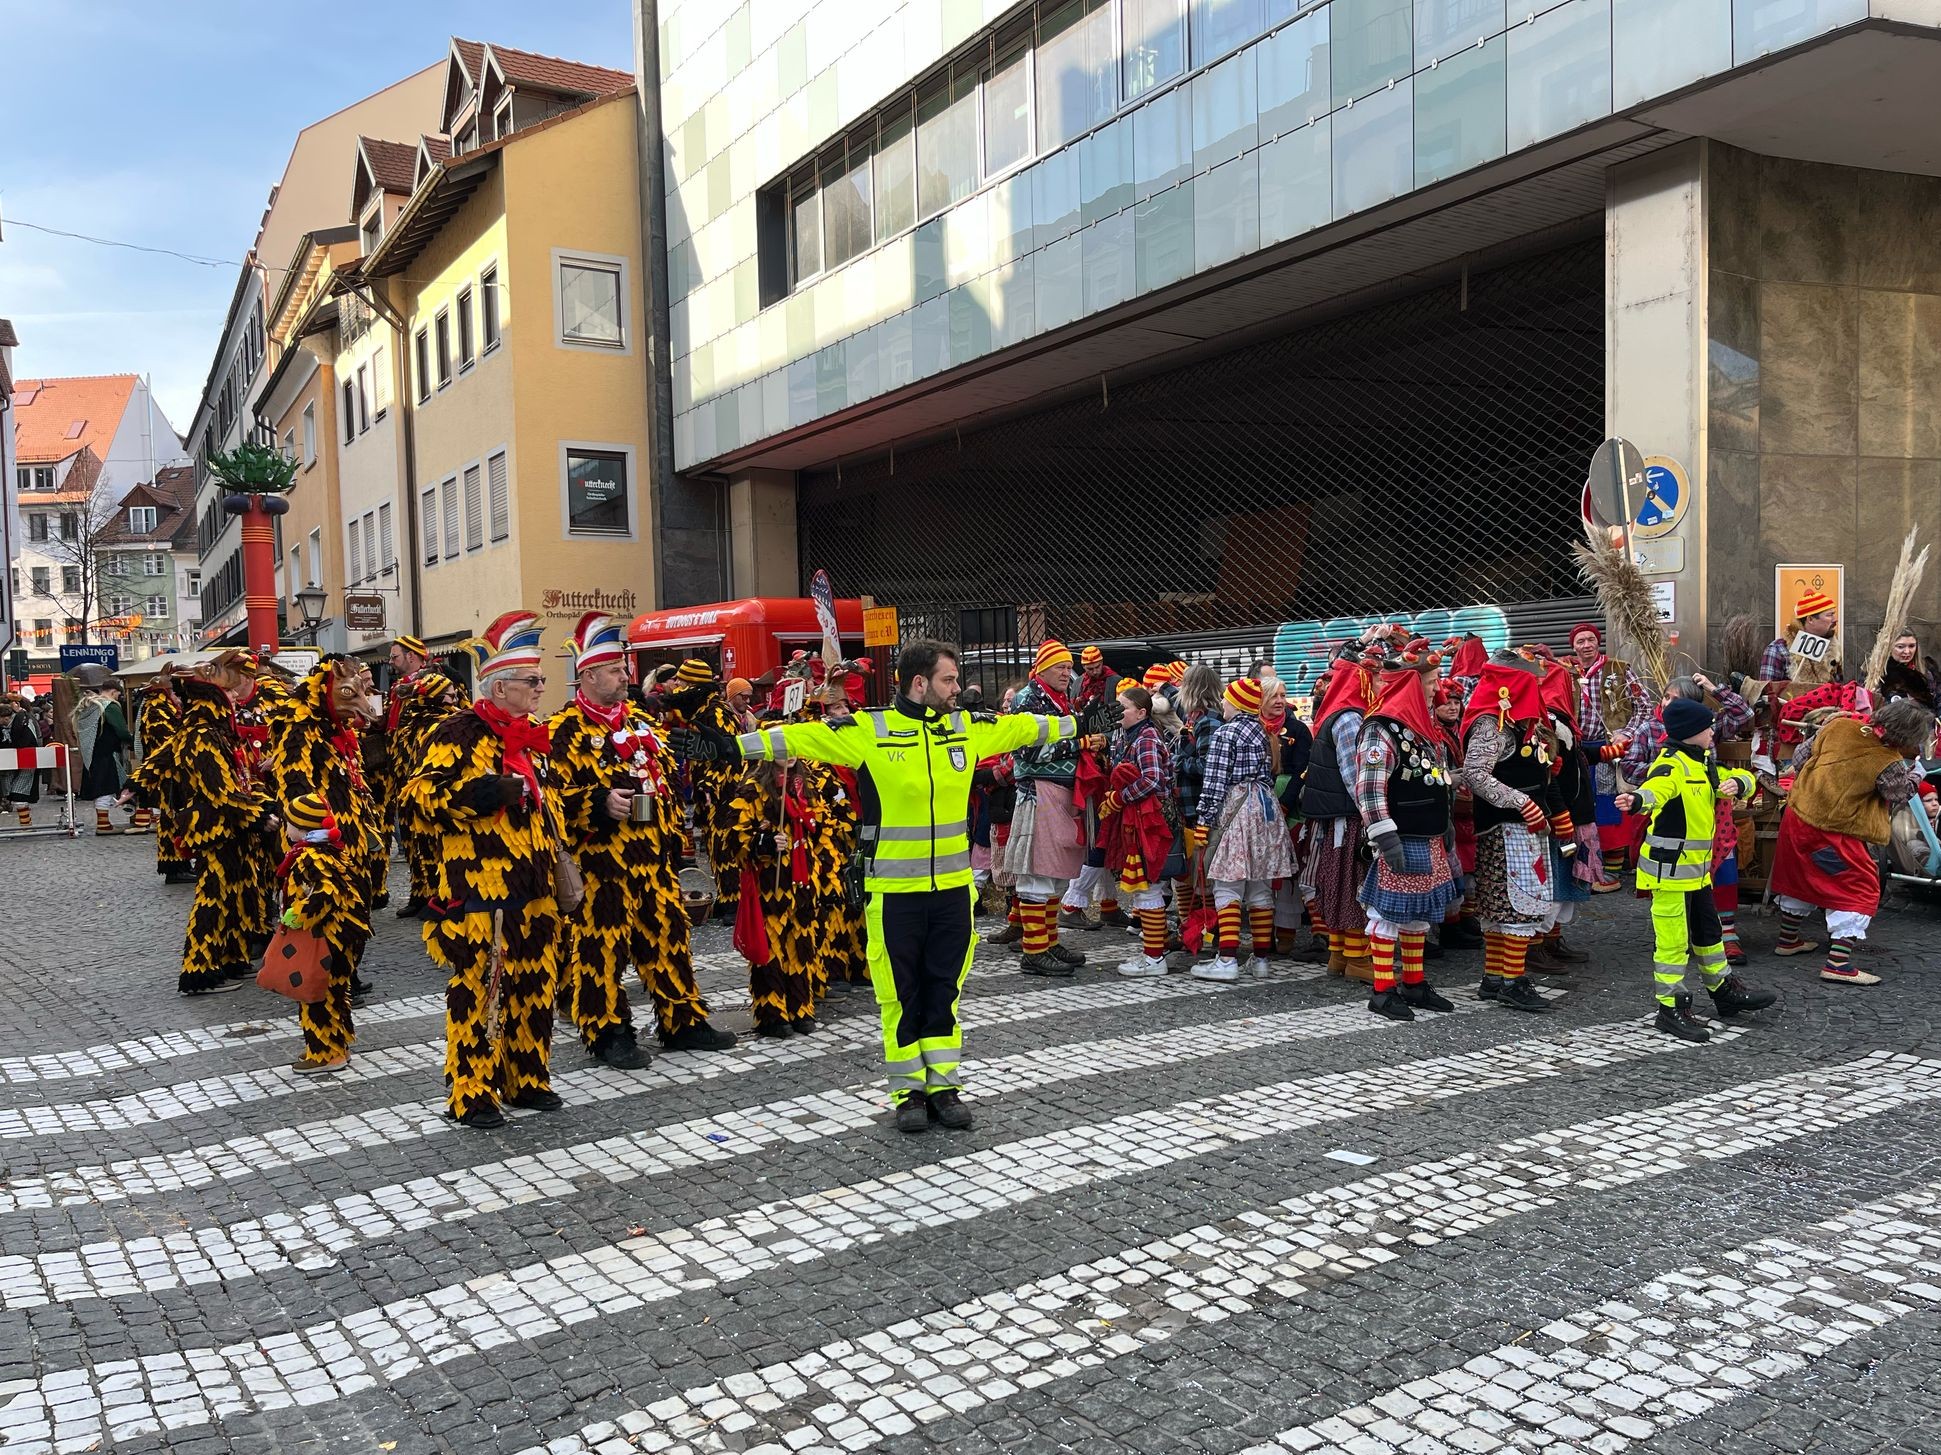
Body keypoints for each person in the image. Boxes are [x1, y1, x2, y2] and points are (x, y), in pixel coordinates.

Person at [674, 638, 1077, 1134]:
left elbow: (1024, 728)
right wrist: (729, 745)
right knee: (899, 994)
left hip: (952, 893)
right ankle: (909, 1091)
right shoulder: (870, 730)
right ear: (919, 683)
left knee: (944, 992)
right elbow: (799, 740)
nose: (957, 690)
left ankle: (944, 1086)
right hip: (893, 894)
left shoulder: (965, 728)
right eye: (949, 680)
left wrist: (1079, 724)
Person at [401, 611, 567, 1129]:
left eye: (541, 679)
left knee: (535, 985)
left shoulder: (534, 734)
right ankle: (472, 1091)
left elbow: (549, 802)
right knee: (481, 989)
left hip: (534, 885)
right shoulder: (457, 732)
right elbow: (417, 798)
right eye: (532, 680)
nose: (541, 687)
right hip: (481, 889)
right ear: (499, 687)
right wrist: (479, 794)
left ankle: (528, 1078)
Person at [550, 613, 735, 1068]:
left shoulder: (639, 722)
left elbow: (664, 782)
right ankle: (608, 1032)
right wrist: (594, 803)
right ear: (588, 675)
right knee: (602, 951)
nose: (624, 676)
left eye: (623, 668)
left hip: (652, 859)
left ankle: (683, 1023)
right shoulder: (563, 729)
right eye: (615, 669)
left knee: (670, 940)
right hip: (602, 866)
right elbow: (550, 799)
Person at [1614, 698, 1775, 1041]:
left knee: (1709, 934)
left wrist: (1740, 784)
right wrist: (1637, 800)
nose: (1712, 730)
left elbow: (1739, 777)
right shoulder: (1672, 765)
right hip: (1668, 874)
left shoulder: (1702, 763)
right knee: (1673, 944)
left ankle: (1723, 991)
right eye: (1707, 727)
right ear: (1691, 733)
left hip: (1696, 874)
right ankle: (1671, 1008)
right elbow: (1656, 789)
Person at [1768, 698, 1936, 986]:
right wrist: (1918, 772)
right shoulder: (1888, 762)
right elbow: (1897, 794)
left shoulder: (1839, 725)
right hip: (1834, 830)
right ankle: (1838, 964)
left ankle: (1788, 940)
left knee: (1800, 876)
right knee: (1859, 889)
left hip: (1797, 818)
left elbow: (1798, 759)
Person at [267, 658, 385, 1006]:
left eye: (361, 693)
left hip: (352, 833)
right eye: (350, 694)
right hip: (326, 839)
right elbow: (296, 784)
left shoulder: (338, 729)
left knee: (354, 908)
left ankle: (347, 972)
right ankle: (331, 983)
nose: (362, 703)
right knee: (328, 909)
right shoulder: (299, 726)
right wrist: (314, 835)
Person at [1354, 646, 1461, 1020]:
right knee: (1389, 915)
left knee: (1418, 914)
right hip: (1401, 837)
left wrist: (1444, 821)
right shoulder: (1379, 728)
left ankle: (1414, 983)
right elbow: (1368, 788)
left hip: (1427, 835)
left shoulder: (1422, 727)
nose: (1438, 690)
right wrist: (1384, 836)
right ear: (1412, 686)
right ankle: (1383, 991)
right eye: (1431, 683)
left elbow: (1436, 779)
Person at [167, 656, 283, 995]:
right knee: (214, 899)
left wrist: (261, 805)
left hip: (234, 828)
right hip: (216, 828)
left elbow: (241, 783)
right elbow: (221, 794)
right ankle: (200, 970)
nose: (234, 698)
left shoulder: (218, 732)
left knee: (235, 898)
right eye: (228, 694)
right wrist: (259, 815)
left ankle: (231, 959)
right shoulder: (203, 735)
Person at [1458, 650, 1557, 1013]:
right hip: (1507, 829)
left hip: (1515, 828)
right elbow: (1474, 772)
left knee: (1503, 904)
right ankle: (1512, 980)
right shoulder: (1492, 724)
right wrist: (1520, 802)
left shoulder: (1515, 724)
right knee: (1514, 904)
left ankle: (1495, 977)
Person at [1195, 675, 1297, 980]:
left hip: (1236, 809)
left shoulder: (1226, 734)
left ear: (1236, 704)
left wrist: (1203, 822)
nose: (1222, 703)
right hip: (1264, 811)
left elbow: (1214, 782)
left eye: (1226, 699)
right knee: (1260, 886)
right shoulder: (1262, 731)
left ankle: (1227, 960)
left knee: (1228, 883)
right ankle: (1261, 959)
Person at [274, 792, 375, 1073]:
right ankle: (336, 1045)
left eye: (289, 824)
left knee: (316, 995)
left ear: (303, 829)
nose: (286, 829)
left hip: (328, 939)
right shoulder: (327, 851)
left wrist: (299, 914)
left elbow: (326, 894)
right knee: (334, 994)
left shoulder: (310, 857)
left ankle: (326, 1053)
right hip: (340, 938)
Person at [1008, 641, 1091, 974]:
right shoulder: (1025, 701)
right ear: (1041, 669)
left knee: (1054, 873)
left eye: (1068, 667)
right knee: (1037, 873)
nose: (1066, 672)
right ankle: (1033, 951)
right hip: (1037, 793)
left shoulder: (1062, 699)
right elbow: (1026, 752)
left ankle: (1049, 942)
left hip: (1059, 794)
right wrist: (1080, 742)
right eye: (1059, 667)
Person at [1301, 650, 1382, 981]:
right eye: (1376, 679)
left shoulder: (1338, 713)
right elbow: (1355, 776)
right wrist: (1372, 816)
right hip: (1349, 818)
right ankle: (1358, 959)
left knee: (1338, 884)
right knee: (1352, 886)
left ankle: (1339, 954)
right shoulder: (1351, 719)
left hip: (1336, 817)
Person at [1101, 683, 1177, 978]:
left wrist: (1120, 797)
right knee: (1147, 886)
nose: (1118, 711)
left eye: (1123, 706)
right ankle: (1153, 952)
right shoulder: (1129, 735)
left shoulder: (1145, 737)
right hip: (1140, 820)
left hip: (1149, 822)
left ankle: (1155, 958)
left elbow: (1153, 780)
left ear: (1141, 712)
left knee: (1148, 887)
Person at [391, 671, 463, 915]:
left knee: (434, 849)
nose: (455, 700)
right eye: (450, 696)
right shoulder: (411, 721)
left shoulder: (449, 723)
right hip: (407, 793)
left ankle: (439, 900)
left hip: (432, 796)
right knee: (413, 848)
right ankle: (419, 896)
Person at [71, 664, 133, 834]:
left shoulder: (89, 705)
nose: (118, 698)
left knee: (99, 787)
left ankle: (103, 823)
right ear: (113, 692)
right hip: (106, 753)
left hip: (91, 754)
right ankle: (104, 825)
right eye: (118, 695)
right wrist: (132, 742)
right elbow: (121, 730)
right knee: (107, 787)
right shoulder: (109, 706)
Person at [1761, 589, 1842, 686]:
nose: (1835, 619)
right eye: (1830, 615)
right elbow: (1767, 694)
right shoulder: (1777, 650)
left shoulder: (1833, 651)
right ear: (1810, 619)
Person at [1, 692, 41, 828]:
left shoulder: (22, 721)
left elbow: (30, 740)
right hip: (10, 762)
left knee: (19, 794)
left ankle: (26, 825)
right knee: (14, 793)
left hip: (26, 759)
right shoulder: (22, 720)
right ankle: (26, 825)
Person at [1880, 632, 1938, 709]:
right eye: (1900, 647)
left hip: (1926, 717)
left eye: (1911, 646)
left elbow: (1938, 697)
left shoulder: (1927, 668)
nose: (1907, 651)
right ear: (1889, 647)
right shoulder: (1877, 671)